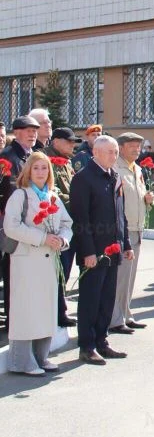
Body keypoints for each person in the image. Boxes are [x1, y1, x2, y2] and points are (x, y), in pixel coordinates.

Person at [2, 152, 73, 375]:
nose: (41, 172)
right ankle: (22, 361)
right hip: (27, 261)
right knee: (26, 310)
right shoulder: (20, 195)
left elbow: (67, 223)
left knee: (45, 309)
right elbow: (11, 226)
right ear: (28, 171)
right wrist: (43, 238)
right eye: (36, 168)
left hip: (49, 261)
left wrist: (62, 240)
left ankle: (41, 357)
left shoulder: (53, 196)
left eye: (44, 168)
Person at [69, 135, 133, 365]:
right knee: (91, 300)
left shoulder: (114, 176)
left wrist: (126, 243)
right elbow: (81, 219)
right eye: (109, 152)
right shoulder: (83, 178)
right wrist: (88, 252)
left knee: (106, 299)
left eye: (116, 152)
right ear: (95, 153)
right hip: (94, 251)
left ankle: (102, 341)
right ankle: (87, 346)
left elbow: (120, 215)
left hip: (113, 249)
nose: (114, 156)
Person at [110, 132, 154, 332]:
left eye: (138, 146)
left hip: (137, 227)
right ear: (121, 148)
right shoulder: (115, 168)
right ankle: (115, 319)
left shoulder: (137, 169)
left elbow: (137, 196)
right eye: (132, 146)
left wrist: (148, 199)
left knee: (130, 277)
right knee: (120, 277)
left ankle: (126, 313)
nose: (137, 150)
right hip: (123, 229)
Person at [1, 115, 40, 326]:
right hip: (13, 223)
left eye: (35, 131)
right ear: (16, 133)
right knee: (13, 273)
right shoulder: (8, 157)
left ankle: (24, 317)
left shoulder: (32, 155)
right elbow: (6, 192)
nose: (33, 134)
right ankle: (13, 319)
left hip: (32, 223)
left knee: (27, 273)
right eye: (28, 131)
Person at [44, 126, 78, 328]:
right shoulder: (47, 161)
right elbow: (52, 191)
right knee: (57, 272)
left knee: (64, 271)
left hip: (68, 223)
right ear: (56, 141)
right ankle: (55, 312)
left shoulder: (66, 161)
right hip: (54, 224)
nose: (73, 145)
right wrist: (78, 200)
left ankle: (60, 310)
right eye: (69, 141)